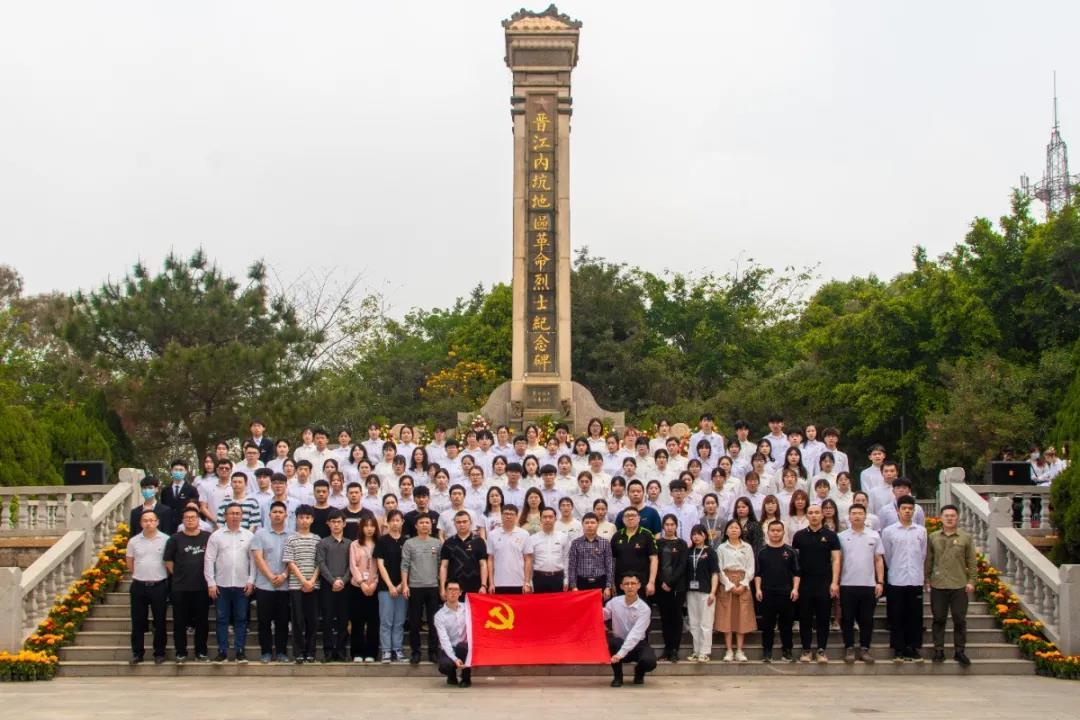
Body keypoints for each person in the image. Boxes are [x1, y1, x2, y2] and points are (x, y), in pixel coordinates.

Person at [926, 504, 977, 666]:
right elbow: (929, 559)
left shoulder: (965, 537)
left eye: (952, 516)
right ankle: (938, 650)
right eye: (946, 515)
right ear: (941, 518)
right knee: (938, 618)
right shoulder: (933, 537)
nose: (949, 518)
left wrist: (972, 581)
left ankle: (959, 651)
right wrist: (926, 579)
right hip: (938, 585)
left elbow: (971, 561)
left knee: (959, 619)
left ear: (957, 518)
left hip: (959, 585)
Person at [205, 503, 256, 663]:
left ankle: (240, 651)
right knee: (221, 619)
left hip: (242, 585)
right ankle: (222, 651)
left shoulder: (249, 536)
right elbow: (209, 559)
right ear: (225, 516)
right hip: (221, 585)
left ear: (242, 516)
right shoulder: (216, 536)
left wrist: (251, 580)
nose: (234, 516)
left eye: (237, 513)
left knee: (241, 618)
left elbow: (254, 561)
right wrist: (211, 582)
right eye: (231, 513)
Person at [791, 503, 840, 663]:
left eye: (817, 512)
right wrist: (795, 585)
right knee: (804, 617)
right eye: (810, 513)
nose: (814, 515)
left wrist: (834, 582)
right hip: (804, 583)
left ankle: (821, 650)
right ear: (807, 515)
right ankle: (806, 650)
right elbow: (795, 563)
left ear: (822, 515)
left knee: (823, 618)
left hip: (824, 582)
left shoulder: (831, 536)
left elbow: (836, 560)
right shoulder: (799, 536)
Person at [881, 495, 928, 662]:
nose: (907, 511)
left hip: (915, 578)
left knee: (915, 616)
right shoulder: (889, 531)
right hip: (896, 579)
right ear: (897, 511)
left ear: (914, 511)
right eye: (904, 508)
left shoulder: (921, 531)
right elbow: (887, 555)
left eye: (910, 509)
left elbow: (923, 554)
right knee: (897, 615)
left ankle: (913, 648)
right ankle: (898, 649)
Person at [163, 504, 210, 663]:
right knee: (180, 621)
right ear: (182, 520)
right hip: (180, 587)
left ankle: (201, 652)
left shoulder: (207, 537)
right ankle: (181, 652)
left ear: (198, 520)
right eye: (187, 518)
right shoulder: (175, 539)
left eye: (193, 517)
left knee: (202, 621)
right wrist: (178, 574)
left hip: (202, 586)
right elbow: (168, 561)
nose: (190, 520)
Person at [839, 503, 885, 663]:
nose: (857, 516)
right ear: (849, 517)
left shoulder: (874, 535)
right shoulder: (841, 536)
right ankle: (849, 648)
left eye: (860, 513)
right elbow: (838, 560)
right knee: (847, 618)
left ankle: (865, 648)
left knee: (867, 619)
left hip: (868, 584)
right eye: (854, 513)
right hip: (847, 584)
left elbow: (878, 559)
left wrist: (880, 582)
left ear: (865, 516)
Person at [250, 500, 291, 663]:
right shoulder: (260, 534)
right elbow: (258, 558)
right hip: (264, 585)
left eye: (281, 512)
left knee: (282, 621)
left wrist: (284, 575)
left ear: (286, 515)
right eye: (275, 512)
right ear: (269, 515)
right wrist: (270, 576)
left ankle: (281, 652)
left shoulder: (292, 535)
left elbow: (293, 560)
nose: (277, 515)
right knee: (264, 621)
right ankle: (266, 652)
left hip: (284, 586)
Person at [126, 510, 169, 664]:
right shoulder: (134, 541)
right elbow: (130, 562)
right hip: (139, 585)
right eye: (145, 520)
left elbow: (169, 562)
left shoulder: (166, 540)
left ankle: (159, 652)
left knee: (160, 621)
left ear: (157, 522)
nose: (148, 523)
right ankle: (137, 653)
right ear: (140, 523)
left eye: (151, 520)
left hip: (159, 585)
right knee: (137, 621)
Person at [755, 519, 800, 662]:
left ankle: (787, 651)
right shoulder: (762, 552)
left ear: (783, 532)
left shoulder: (791, 551)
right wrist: (758, 589)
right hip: (767, 593)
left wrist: (795, 589)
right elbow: (758, 573)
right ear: (767, 532)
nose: (775, 533)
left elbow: (797, 573)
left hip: (786, 593)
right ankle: (767, 652)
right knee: (767, 625)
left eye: (778, 530)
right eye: (772, 530)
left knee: (786, 625)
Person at [604, 575, 657, 687]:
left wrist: (621, 654)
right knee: (612, 643)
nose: (630, 586)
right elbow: (603, 614)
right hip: (619, 642)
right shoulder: (615, 602)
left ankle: (639, 672)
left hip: (638, 644)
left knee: (650, 662)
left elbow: (635, 634)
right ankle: (618, 677)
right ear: (621, 586)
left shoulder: (644, 609)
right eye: (626, 584)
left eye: (633, 583)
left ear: (639, 586)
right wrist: (590, 607)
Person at [402, 514, 442, 664]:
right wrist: (405, 585)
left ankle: (433, 652)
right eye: (421, 522)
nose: (425, 525)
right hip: (415, 586)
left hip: (433, 586)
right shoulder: (409, 543)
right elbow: (405, 565)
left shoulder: (437, 543)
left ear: (431, 525)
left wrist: (441, 586)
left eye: (427, 522)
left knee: (433, 621)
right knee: (414, 622)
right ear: (416, 526)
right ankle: (415, 652)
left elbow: (441, 566)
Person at [284, 505, 321, 663]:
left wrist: (311, 581)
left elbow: (320, 563)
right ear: (296, 519)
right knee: (298, 620)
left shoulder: (317, 539)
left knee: (312, 620)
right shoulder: (291, 539)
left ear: (312, 519)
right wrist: (303, 581)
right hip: (296, 586)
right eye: (301, 517)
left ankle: (310, 652)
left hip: (314, 585)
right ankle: (298, 652)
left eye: (307, 517)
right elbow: (290, 563)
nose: (304, 520)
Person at [714, 519, 755, 661]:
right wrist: (730, 585)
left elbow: (751, 568)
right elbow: (719, 569)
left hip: (743, 583)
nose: (733, 530)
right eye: (731, 527)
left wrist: (743, 584)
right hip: (726, 583)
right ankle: (729, 650)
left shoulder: (747, 547)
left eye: (736, 527)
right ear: (726, 531)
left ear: (740, 531)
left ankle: (740, 650)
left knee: (741, 616)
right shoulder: (721, 548)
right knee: (727, 617)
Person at [375, 510, 408, 663]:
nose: (395, 523)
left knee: (399, 621)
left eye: (398, 520)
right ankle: (386, 651)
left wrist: (401, 585)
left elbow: (409, 565)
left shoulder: (407, 542)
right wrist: (390, 586)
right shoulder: (382, 541)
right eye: (392, 520)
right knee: (386, 621)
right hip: (385, 587)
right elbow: (380, 565)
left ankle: (397, 649)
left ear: (402, 522)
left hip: (403, 587)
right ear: (387, 523)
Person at [348, 515, 380, 663]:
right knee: (357, 621)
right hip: (357, 587)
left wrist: (374, 583)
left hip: (374, 587)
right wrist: (361, 583)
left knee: (373, 621)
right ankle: (357, 652)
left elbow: (381, 566)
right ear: (361, 528)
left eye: (372, 526)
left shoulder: (379, 544)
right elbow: (353, 565)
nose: (369, 529)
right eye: (366, 526)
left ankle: (371, 653)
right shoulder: (355, 544)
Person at [655, 514, 687, 662]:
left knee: (676, 618)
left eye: (672, 524)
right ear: (663, 526)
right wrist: (662, 581)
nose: (669, 527)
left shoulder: (682, 544)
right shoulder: (658, 543)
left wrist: (670, 582)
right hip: (661, 587)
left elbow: (682, 566)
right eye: (667, 525)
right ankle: (667, 649)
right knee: (665, 619)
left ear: (676, 526)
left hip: (677, 587)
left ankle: (675, 649)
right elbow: (655, 564)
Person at [685, 523, 719, 662]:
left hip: (706, 591)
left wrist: (713, 592)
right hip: (690, 591)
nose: (696, 537)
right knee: (694, 622)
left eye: (699, 534)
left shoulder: (710, 552)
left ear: (705, 535)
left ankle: (704, 652)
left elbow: (715, 573)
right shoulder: (689, 551)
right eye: (693, 534)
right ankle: (696, 650)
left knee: (706, 623)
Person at [440, 511, 489, 597]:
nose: (461, 524)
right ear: (454, 524)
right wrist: (443, 588)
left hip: (476, 587)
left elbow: (483, 565)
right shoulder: (448, 543)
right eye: (458, 522)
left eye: (464, 521)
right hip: (454, 588)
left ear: (470, 522)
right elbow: (444, 567)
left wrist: (483, 585)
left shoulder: (479, 541)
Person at [610, 507, 658, 596]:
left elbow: (654, 559)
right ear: (623, 519)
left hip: (641, 582)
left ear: (639, 518)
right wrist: (611, 582)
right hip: (621, 583)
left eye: (633, 515)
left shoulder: (647, 535)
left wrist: (651, 582)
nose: (630, 518)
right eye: (627, 516)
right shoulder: (617, 536)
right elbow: (611, 561)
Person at [434, 580, 472, 688]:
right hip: (448, 647)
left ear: (460, 592)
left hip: (464, 647)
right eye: (450, 589)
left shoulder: (468, 608)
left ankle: (466, 679)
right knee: (445, 665)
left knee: (464, 648)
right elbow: (444, 641)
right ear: (445, 592)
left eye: (456, 590)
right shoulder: (439, 616)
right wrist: (455, 659)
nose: (453, 592)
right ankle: (451, 676)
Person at [567, 513, 615, 595]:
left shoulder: (605, 542)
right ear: (582, 525)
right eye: (587, 523)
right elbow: (572, 566)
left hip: (600, 582)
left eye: (592, 522)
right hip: (581, 583)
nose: (589, 525)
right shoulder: (576, 543)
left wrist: (608, 586)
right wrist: (573, 586)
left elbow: (609, 565)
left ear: (597, 524)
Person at [524, 507, 570, 593]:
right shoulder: (533, 538)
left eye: (550, 517)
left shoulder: (563, 537)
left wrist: (566, 578)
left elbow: (566, 559)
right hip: (539, 578)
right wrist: (529, 581)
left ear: (555, 519)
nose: (547, 520)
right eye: (544, 517)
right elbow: (530, 561)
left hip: (558, 578)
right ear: (540, 519)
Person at [487, 505, 530, 593]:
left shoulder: (524, 534)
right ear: (501, 515)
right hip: (498, 583)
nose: (508, 516)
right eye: (506, 514)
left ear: (516, 516)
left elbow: (528, 559)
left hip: (519, 583)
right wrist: (491, 583)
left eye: (511, 514)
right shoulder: (492, 534)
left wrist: (526, 582)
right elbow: (490, 559)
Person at [160, 460, 199, 534]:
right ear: (171, 471)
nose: (178, 472)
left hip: (185, 526)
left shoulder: (192, 490)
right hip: (168, 527)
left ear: (186, 471)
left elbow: (194, 508)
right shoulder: (165, 490)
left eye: (181, 470)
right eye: (176, 470)